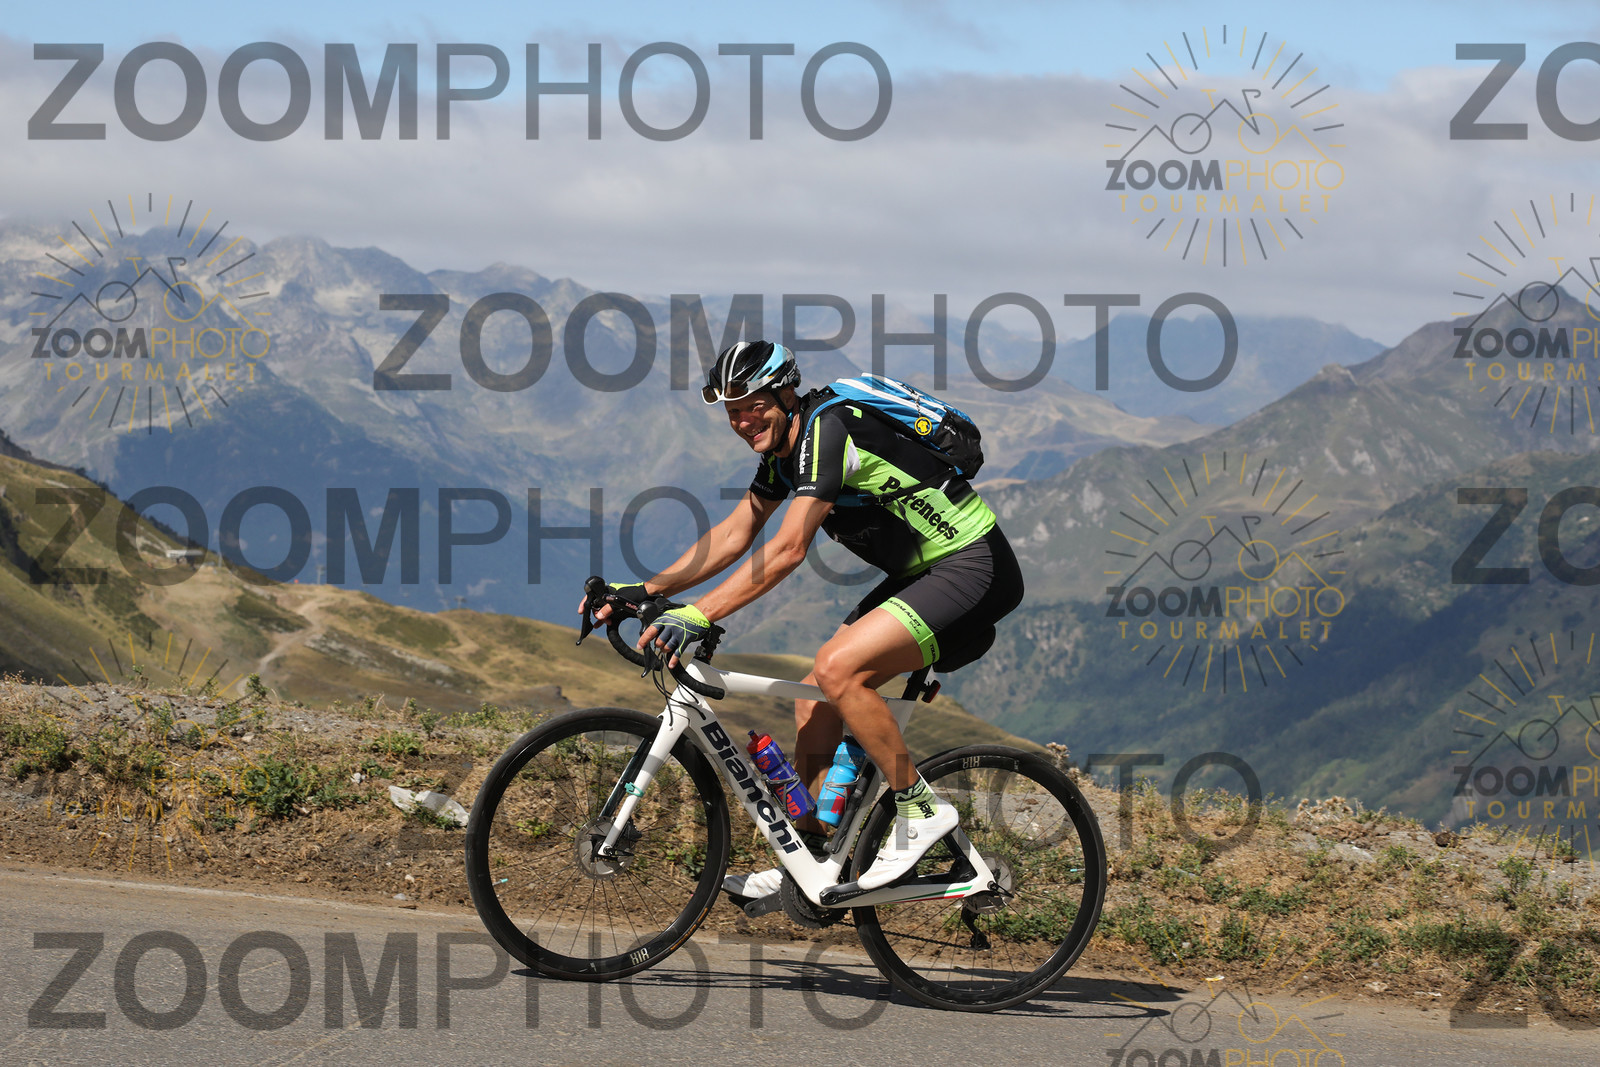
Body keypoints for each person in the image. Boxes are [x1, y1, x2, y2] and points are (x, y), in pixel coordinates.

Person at [593, 340, 1024, 899]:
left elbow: (788, 549)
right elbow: (736, 533)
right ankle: (816, 860)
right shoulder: (784, 453)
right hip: (925, 574)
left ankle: (921, 811)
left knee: (838, 668)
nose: (744, 422)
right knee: (814, 698)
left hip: (974, 565)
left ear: (785, 394)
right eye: (733, 413)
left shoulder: (827, 430)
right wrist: (643, 590)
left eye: (754, 407)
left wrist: (699, 613)